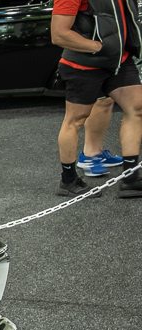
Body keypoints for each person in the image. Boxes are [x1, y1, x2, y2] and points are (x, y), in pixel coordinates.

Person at [51, 0, 142, 196]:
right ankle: (68, 180)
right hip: (83, 64)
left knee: (137, 109)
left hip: (119, 61)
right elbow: (59, 34)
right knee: (75, 120)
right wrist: (98, 47)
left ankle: (130, 178)